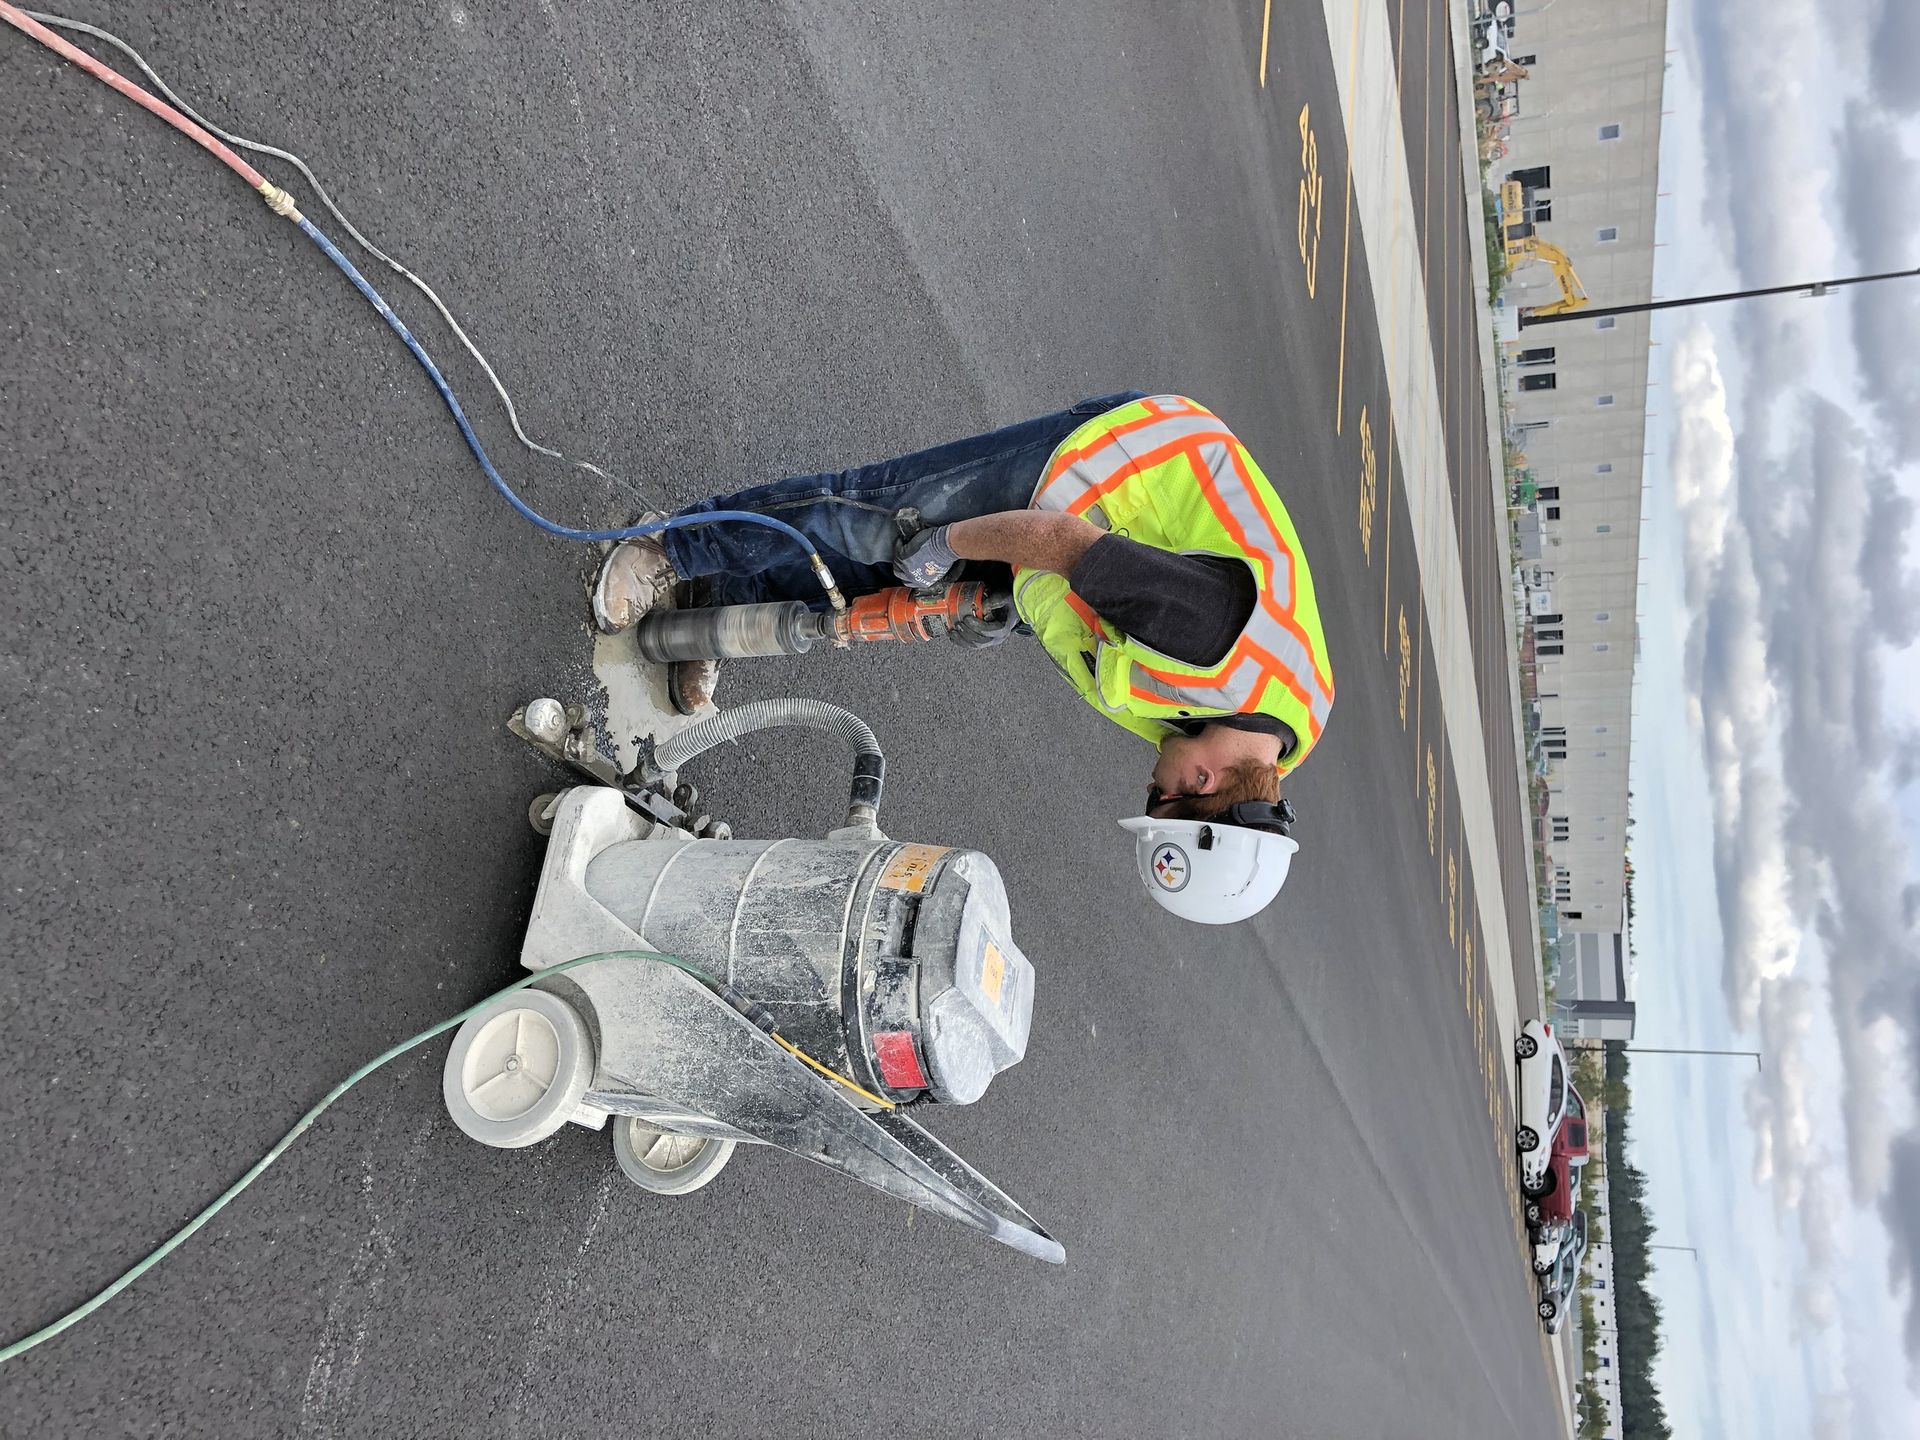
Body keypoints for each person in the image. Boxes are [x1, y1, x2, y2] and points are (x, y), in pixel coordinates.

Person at [593, 392, 1335, 924]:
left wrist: (1003, 609)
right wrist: (952, 544)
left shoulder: (1261, 743)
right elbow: (1065, 544)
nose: (1148, 785)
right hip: (1106, 474)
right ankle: (675, 545)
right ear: (1204, 782)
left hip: (1114, 565)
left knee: (890, 588)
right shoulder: (1210, 635)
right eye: (1157, 800)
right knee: (876, 525)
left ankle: (722, 597)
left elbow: (1112, 635)